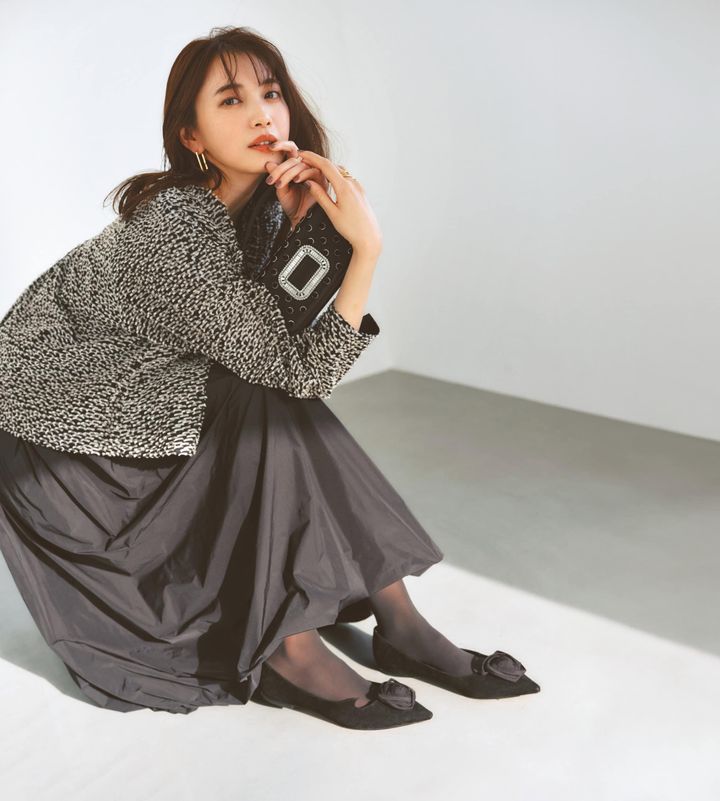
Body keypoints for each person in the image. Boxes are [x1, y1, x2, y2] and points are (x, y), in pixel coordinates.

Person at [0, 26, 539, 730]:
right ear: (192, 134)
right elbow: (296, 370)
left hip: (137, 401)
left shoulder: (254, 212)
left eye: (271, 93)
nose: (262, 114)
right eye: (231, 100)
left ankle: (399, 623)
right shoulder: (178, 229)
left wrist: (307, 234)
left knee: (263, 395)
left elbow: (282, 348)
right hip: (60, 449)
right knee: (262, 397)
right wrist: (365, 250)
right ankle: (295, 647)